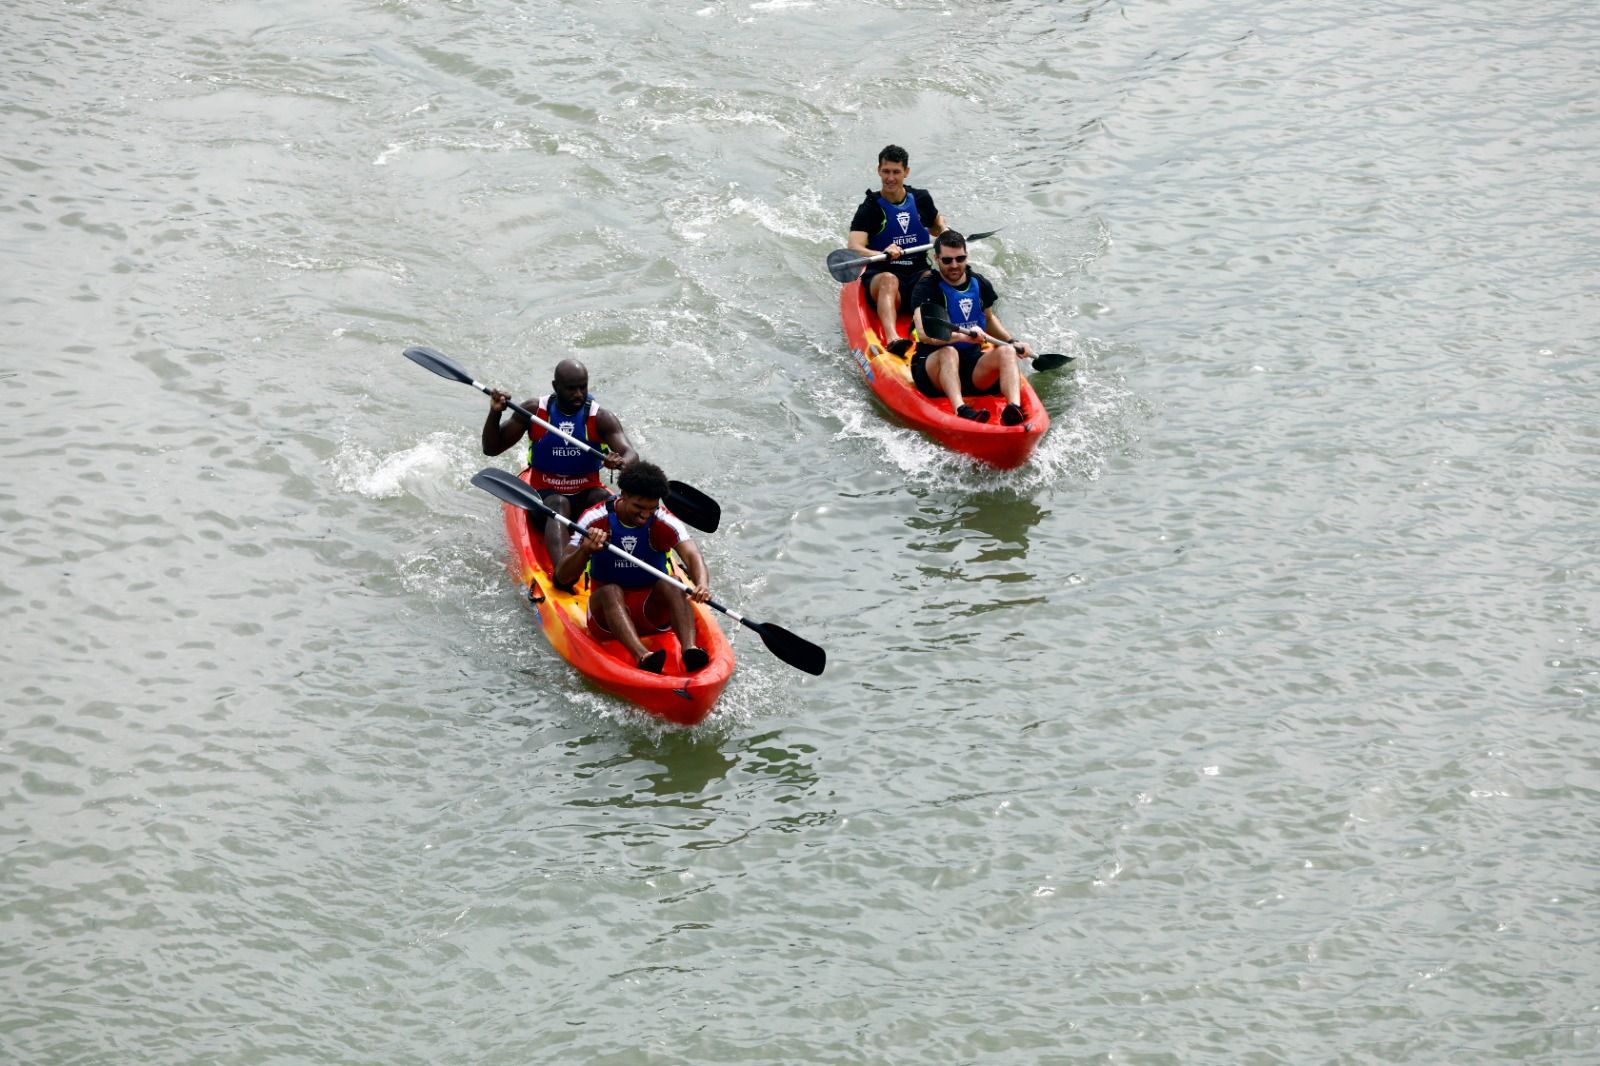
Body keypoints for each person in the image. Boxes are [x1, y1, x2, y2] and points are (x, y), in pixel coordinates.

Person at [554, 460, 713, 675]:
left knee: (674, 582)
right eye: (639, 507)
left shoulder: (664, 520)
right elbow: (562, 576)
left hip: (651, 612)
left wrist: (701, 584)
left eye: (651, 508)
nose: (645, 515)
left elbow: (692, 555)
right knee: (611, 591)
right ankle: (643, 656)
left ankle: (690, 650)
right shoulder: (594, 518)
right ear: (624, 495)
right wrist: (585, 550)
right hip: (607, 620)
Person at [483, 358, 638, 565]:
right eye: (571, 389)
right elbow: (491, 448)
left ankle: (626, 565)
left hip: (586, 494)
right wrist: (495, 413)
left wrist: (619, 462)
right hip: (545, 497)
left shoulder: (600, 417)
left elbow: (631, 455)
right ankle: (563, 571)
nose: (579, 394)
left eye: (583, 387)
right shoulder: (535, 411)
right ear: (556, 387)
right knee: (559, 503)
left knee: (610, 503)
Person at [908, 230, 1033, 425]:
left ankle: (1013, 410)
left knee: (1007, 352)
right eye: (947, 260)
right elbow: (924, 334)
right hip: (933, 368)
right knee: (949, 352)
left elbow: (989, 320)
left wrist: (1012, 341)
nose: (955, 265)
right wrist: (961, 337)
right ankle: (961, 410)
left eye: (960, 258)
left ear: (967, 256)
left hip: (972, 366)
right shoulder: (927, 288)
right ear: (936, 258)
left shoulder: (979, 283)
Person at [847, 144, 947, 345]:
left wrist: (945, 234)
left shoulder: (921, 199)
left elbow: (937, 226)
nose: (890, 178)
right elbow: (853, 247)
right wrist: (881, 251)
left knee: (934, 279)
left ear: (906, 172)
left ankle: (930, 333)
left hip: (917, 273)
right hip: (882, 277)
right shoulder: (870, 208)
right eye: (885, 171)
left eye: (896, 172)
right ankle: (893, 339)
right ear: (878, 171)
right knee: (889, 279)